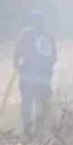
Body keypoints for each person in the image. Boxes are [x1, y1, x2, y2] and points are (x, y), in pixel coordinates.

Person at [14, 9, 57, 138]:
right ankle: (38, 133)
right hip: (43, 81)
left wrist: (18, 67)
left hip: (28, 80)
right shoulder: (49, 39)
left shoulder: (24, 37)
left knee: (27, 107)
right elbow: (54, 59)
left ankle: (28, 133)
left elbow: (16, 55)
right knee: (42, 108)